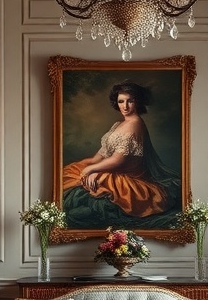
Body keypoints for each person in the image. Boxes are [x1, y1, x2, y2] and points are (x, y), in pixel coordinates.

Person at [62, 81, 181, 229]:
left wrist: (93, 170)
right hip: (112, 169)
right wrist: (88, 165)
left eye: (130, 101)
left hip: (126, 177)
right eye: (121, 101)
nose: (125, 106)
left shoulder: (135, 123)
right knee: (72, 172)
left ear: (137, 102)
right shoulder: (118, 124)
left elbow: (118, 160)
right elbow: (99, 156)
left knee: (84, 191)